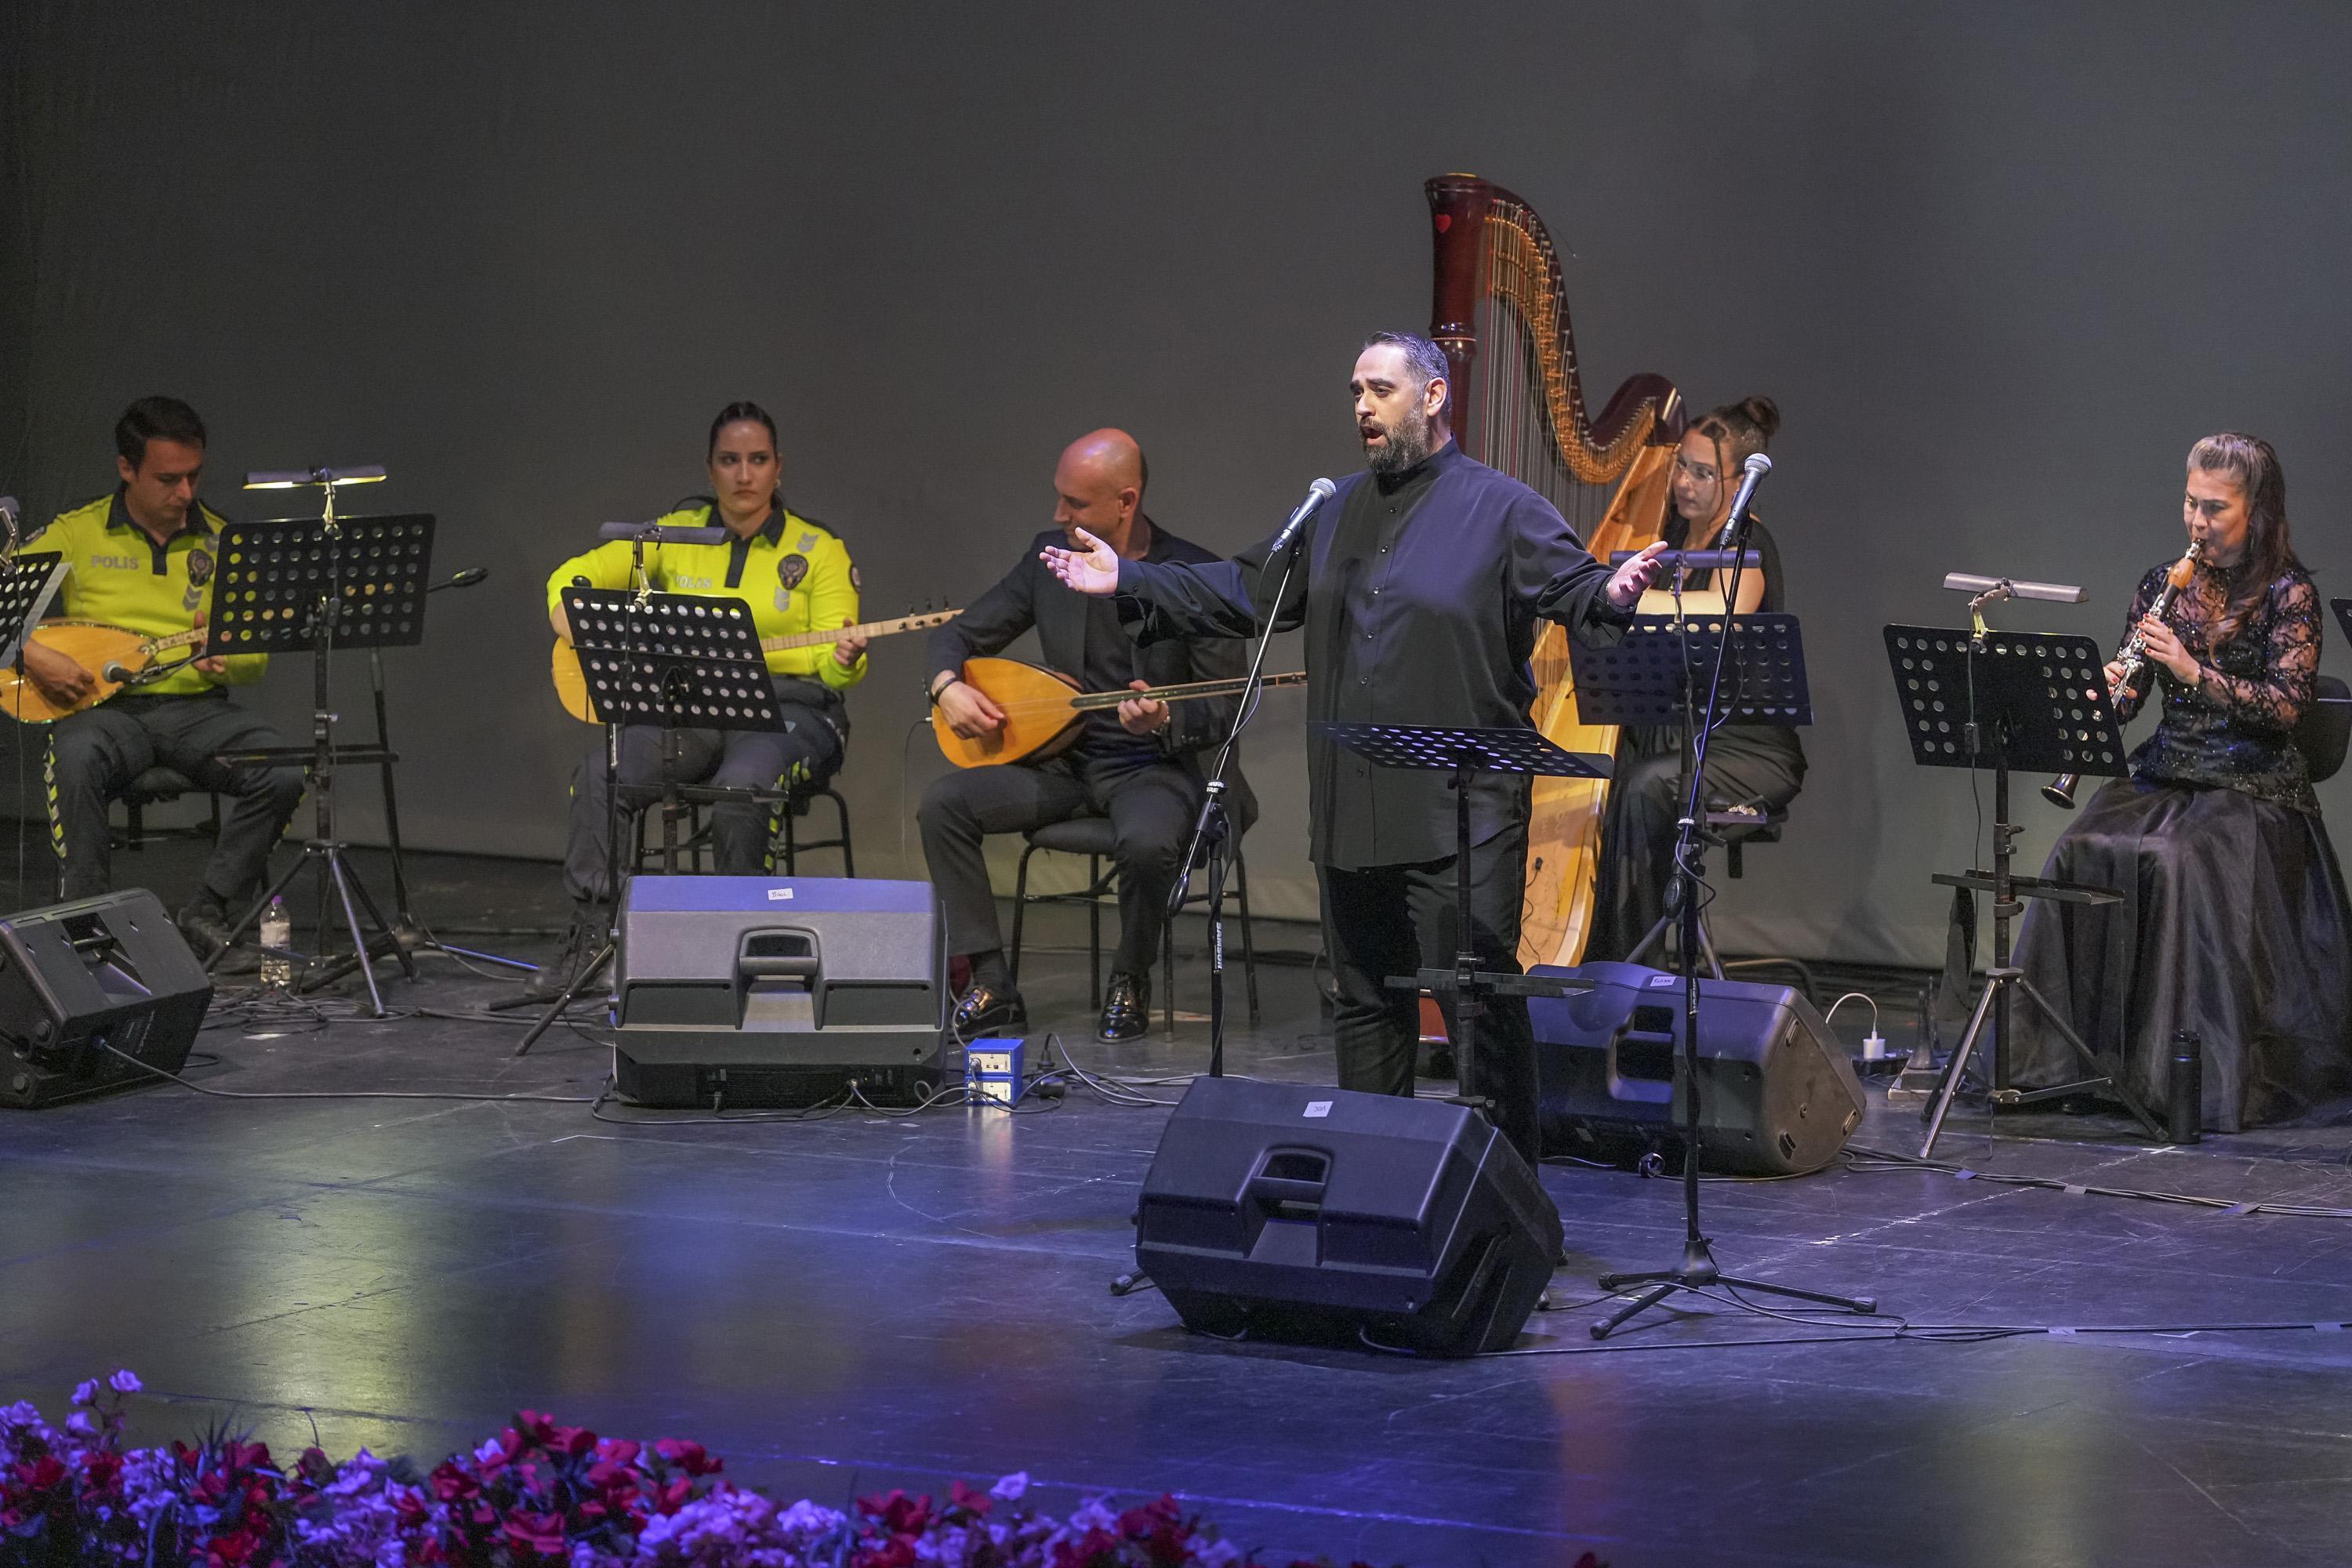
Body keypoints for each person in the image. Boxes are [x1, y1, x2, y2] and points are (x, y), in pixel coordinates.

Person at [1042, 336, 1665, 1161]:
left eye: (1381, 389)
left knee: (1476, 998)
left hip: (1462, 808)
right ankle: (1378, 1177)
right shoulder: (1332, 508)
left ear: (1434, 396)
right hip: (1354, 795)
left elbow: (1577, 586)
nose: (1363, 407)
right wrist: (1130, 579)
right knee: (1367, 998)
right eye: (1355, 392)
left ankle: (1507, 1188)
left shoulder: (1502, 507)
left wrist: (1614, 591)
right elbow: (1244, 588)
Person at [2011, 432, 2352, 1131]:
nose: (2197, 524)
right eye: (2190, 504)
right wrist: (2104, 694)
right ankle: (2069, 1067)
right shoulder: (2160, 584)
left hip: (2254, 786)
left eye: (2215, 510)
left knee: (2178, 861)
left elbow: (2286, 708)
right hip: (2168, 773)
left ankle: (2185, 1082)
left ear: (2256, 511)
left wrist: (2197, 673)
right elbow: (2131, 703)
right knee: (2082, 847)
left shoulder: (2291, 595)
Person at [531, 401, 867, 1001]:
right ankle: (595, 938)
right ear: (710, 469)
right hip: (694, 712)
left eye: (758, 460)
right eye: (730, 461)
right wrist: (575, 624)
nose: (744, 475)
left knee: (741, 794)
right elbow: (573, 575)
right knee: (603, 774)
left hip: (791, 714)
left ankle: (733, 947)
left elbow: (835, 671)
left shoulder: (819, 549)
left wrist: (844, 657)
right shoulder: (674, 533)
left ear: (778, 468)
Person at [921, 429, 1250, 1044]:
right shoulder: (1050, 559)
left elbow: (1224, 704)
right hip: (1064, 766)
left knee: (1149, 844)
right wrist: (946, 686)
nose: (1058, 514)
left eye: (1075, 503)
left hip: (1155, 768)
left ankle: (1131, 977)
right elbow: (959, 634)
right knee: (944, 805)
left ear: (1125, 502)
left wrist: (1166, 719)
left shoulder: (1197, 575)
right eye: (1059, 499)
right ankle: (992, 983)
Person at [22, 397, 307, 963]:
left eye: (193, 477)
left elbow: (256, 661)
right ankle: (86, 925)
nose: (184, 494)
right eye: (168, 479)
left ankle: (208, 910)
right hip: (106, 713)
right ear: (126, 469)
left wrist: (227, 659)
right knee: (74, 758)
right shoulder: (77, 533)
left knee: (282, 770)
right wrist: (33, 654)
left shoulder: (223, 542)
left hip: (196, 712)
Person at [1586, 397, 1807, 961]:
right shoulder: (1674, 541)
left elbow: (1717, 613)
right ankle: (1597, 951)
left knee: (1643, 788)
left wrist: (1623, 596)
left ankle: (1631, 971)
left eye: (1703, 472)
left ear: (1738, 484)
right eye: (1681, 465)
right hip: (1684, 740)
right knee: (1607, 776)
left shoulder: (1749, 547)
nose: (1684, 482)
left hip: (1750, 755)